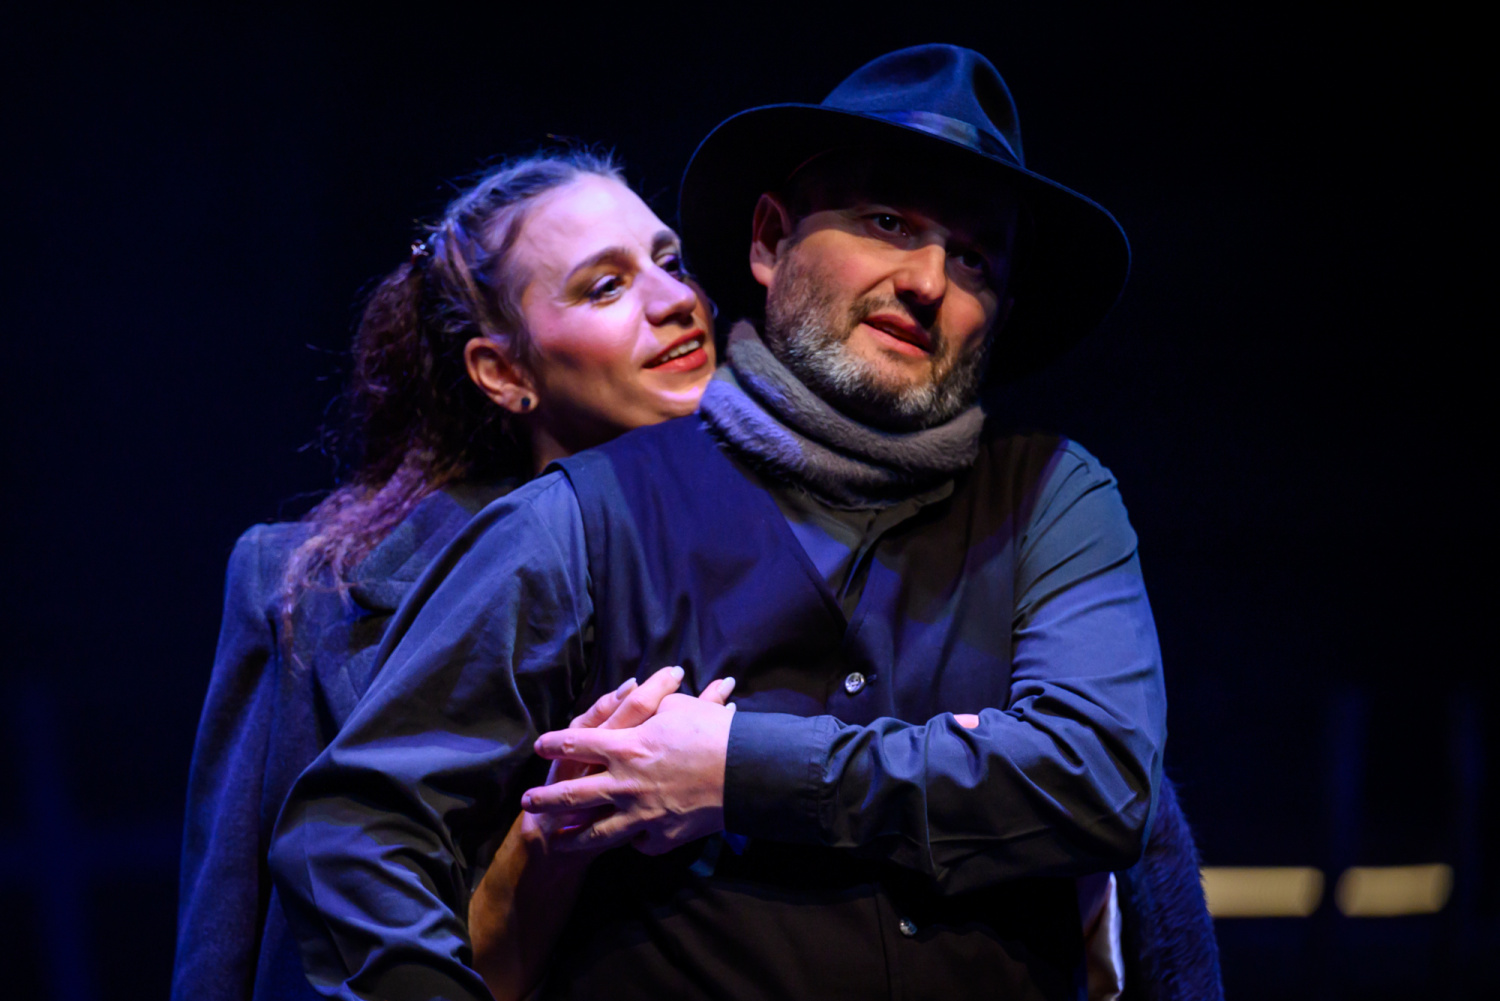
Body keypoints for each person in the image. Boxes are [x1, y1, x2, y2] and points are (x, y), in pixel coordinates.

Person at [270, 45, 1218, 1000]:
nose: (929, 280)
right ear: (769, 242)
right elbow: (357, 827)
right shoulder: (584, 519)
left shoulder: (1052, 496)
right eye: (888, 223)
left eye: (973, 257)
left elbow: (1101, 781)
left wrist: (730, 770)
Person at [171, 149, 719, 1001]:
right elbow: (226, 944)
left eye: (670, 261)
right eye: (605, 287)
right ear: (503, 372)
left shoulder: (781, 552)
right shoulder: (309, 589)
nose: (674, 299)